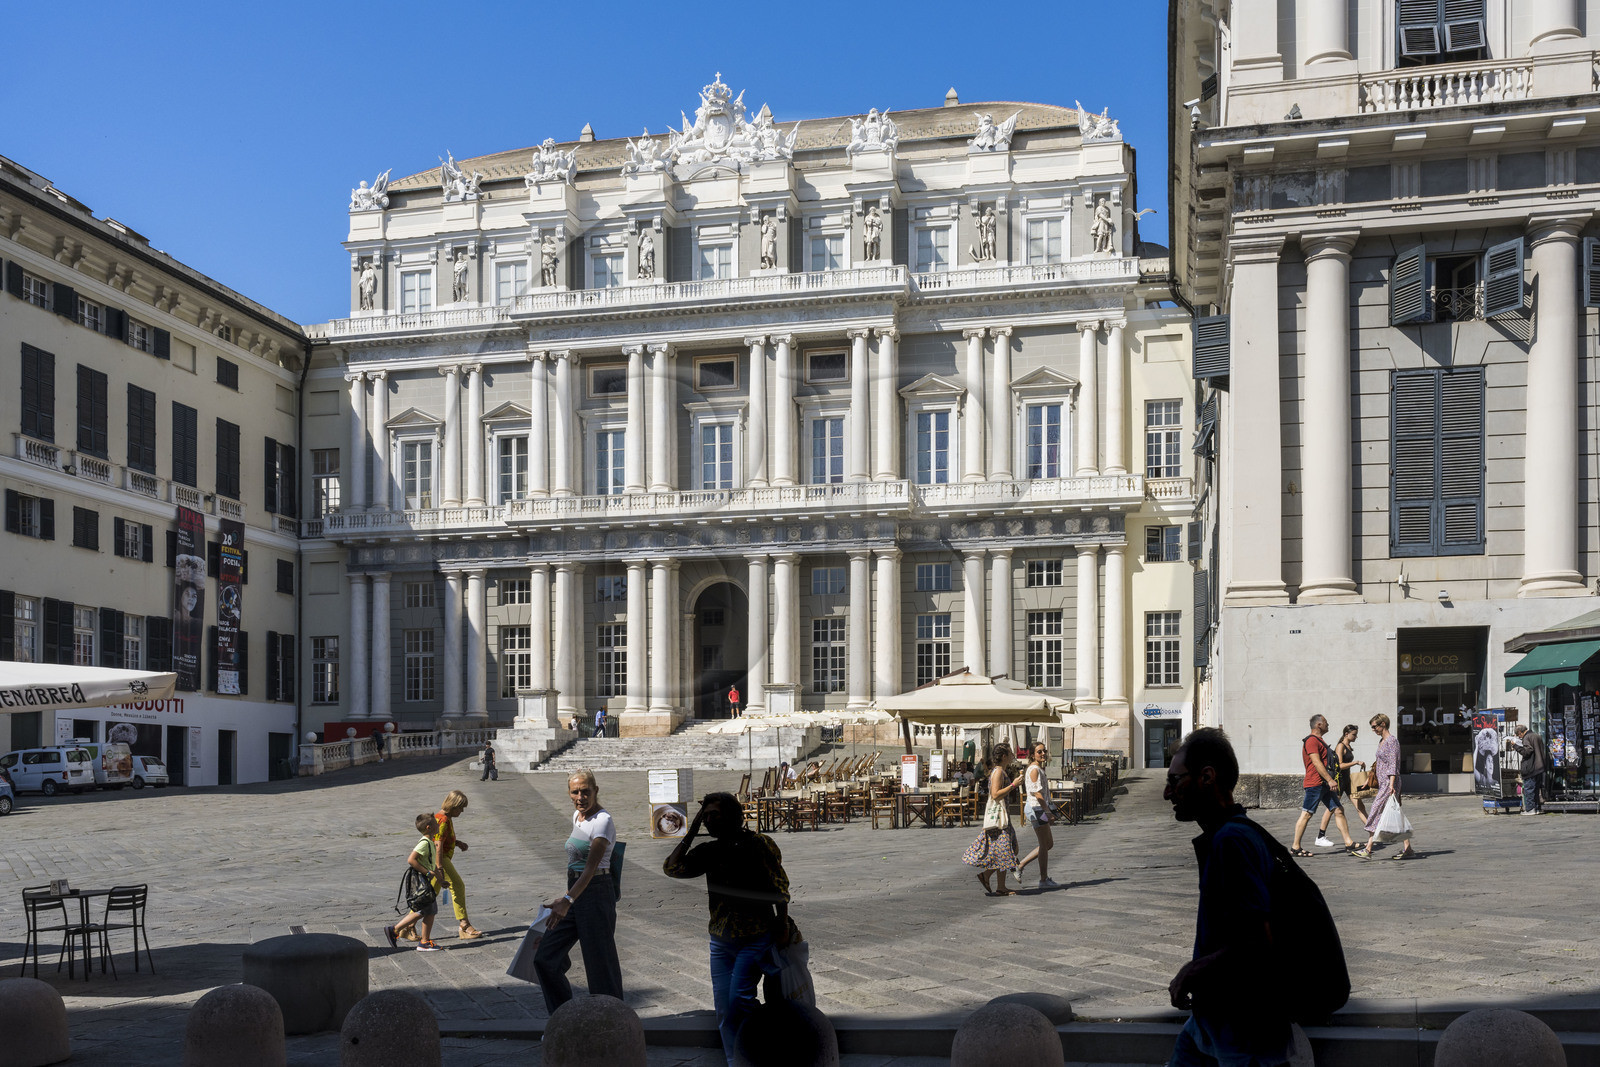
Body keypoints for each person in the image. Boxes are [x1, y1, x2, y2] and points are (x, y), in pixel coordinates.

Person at [1163, 727, 1294, 1066]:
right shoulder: (1232, 833)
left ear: (1207, 777)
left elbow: (1256, 942)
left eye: (1176, 780)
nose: (1168, 792)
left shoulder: (1231, 841)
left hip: (1243, 1028)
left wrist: (1190, 972)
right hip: (1211, 1023)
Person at [664, 792, 792, 1067]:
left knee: (739, 1000)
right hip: (721, 940)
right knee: (724, 1006)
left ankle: (762, 1042)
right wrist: (694, 826)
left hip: (755, 935)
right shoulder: (710, 851)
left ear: (733, 815)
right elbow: (672, 868)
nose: (709, 820)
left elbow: (780, 887)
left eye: (714, 815)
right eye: (706, 815)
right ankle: (736, 1060)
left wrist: (781, 923)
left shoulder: (759, 844)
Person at [533, 769, 625, 1010]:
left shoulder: (603, 821)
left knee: (600, 964)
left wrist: (566, 900)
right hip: (575, 892)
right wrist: (567, 897)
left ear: (596, 791)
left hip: (596, 892)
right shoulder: (577, 817)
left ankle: (612, 1021)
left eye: (586, 791)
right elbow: (575, 866)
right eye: (575, 792)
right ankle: (563, 1016)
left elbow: (590, 869)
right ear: (569, 793)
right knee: (545, 958)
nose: (581, 797)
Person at [962, 743, 1025, 896]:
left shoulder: (1000, 770)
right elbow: (995, 794)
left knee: (1008, 850)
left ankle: (996, 882)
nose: (1012, 755)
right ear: (1004, 756)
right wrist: (1013, 785)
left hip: (1003, 817)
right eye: (1010, 753)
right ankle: (994, 882)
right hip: (998, 819)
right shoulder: (998, 772)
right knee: (1005, 851)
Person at [1290, 715, 1357, 857]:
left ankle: (1348, 843)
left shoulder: (1320, 740)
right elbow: (1316, 762)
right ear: (1319, 725)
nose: (1328, 724)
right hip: (1315, 783)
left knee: (1338, 809)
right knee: (1307, 813)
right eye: (1326, 722)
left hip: (1324, 783)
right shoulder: (1311, 741)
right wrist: (1330, 779)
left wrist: (1328, 781)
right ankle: (1295, 847)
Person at [1357, 713, 1414, 859]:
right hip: (1384, 783)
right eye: (1372, 727)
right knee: (1392, 813)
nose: (1373, 729)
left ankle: (1368, 849)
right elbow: (1378, 763)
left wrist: (1392, 784)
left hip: (1389, 784)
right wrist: (1369, 779)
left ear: (1383, 724)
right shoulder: (1382, 741)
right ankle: (1408, 849)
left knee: (1376, 811)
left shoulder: (1391, 741)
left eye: (1374, 726)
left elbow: (1393, 764)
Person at [385, 814, 444, 952]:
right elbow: (411, 859)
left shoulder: (430, 842)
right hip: (421, 881)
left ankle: (416, 938)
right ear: (429, 827)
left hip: (425, 880)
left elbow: (432, 863)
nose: (439, 825)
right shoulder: (424, 843)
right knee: (428, 910)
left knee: (427, 910)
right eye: (436, 823)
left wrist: (441, 880)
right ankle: (400, 931)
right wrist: (427, 873)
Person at [434, 790, 484, 939]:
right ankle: (464, 924)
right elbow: (437, 845)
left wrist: (457, 843)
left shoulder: (443, 818)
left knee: (428, 895)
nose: (462, 811)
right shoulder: (443, 820)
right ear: (453, 805)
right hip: (440, 859)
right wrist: (440, 867)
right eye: (460, 808)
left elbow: (441, 839)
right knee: (457, 885)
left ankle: (402, 927)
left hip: (437, 859)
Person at [1016, 742, 1060, 889]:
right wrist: (1047, 811)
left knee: (1048, 844)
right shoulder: (1034, 769)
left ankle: (1021, 865)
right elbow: (1037, 793)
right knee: (1044, 844)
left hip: (1038, 808)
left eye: (1044, 751)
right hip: (1037, 809)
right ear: (1032, 754)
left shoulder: (1038, 769)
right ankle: (1043, 879)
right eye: (1039, 751)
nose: (1043, 754)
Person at [1315, 724, 1368, 843]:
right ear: (1346, 734)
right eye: (1354, 734)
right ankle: (1320, 836)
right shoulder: (1340, 746)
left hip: (1348, 781)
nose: (1356, 737)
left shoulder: (1348, 746)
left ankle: (1373, 831)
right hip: (1339, 781)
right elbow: (1339, 765)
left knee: (1360, 806)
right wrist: (1356, 762)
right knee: (1331, 808)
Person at [1511, 724, 1546, 814]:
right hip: (1539, 766)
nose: (1519, 737)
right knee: (1536, 789)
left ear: (1520, 732)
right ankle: (1537, 808)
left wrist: (1516, 746)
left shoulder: (1527, 737)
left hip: (1531, 767)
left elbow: (1527, 752)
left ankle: (1530, 809)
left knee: (1529, 789)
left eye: (1519, 735)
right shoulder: (1536, 735)